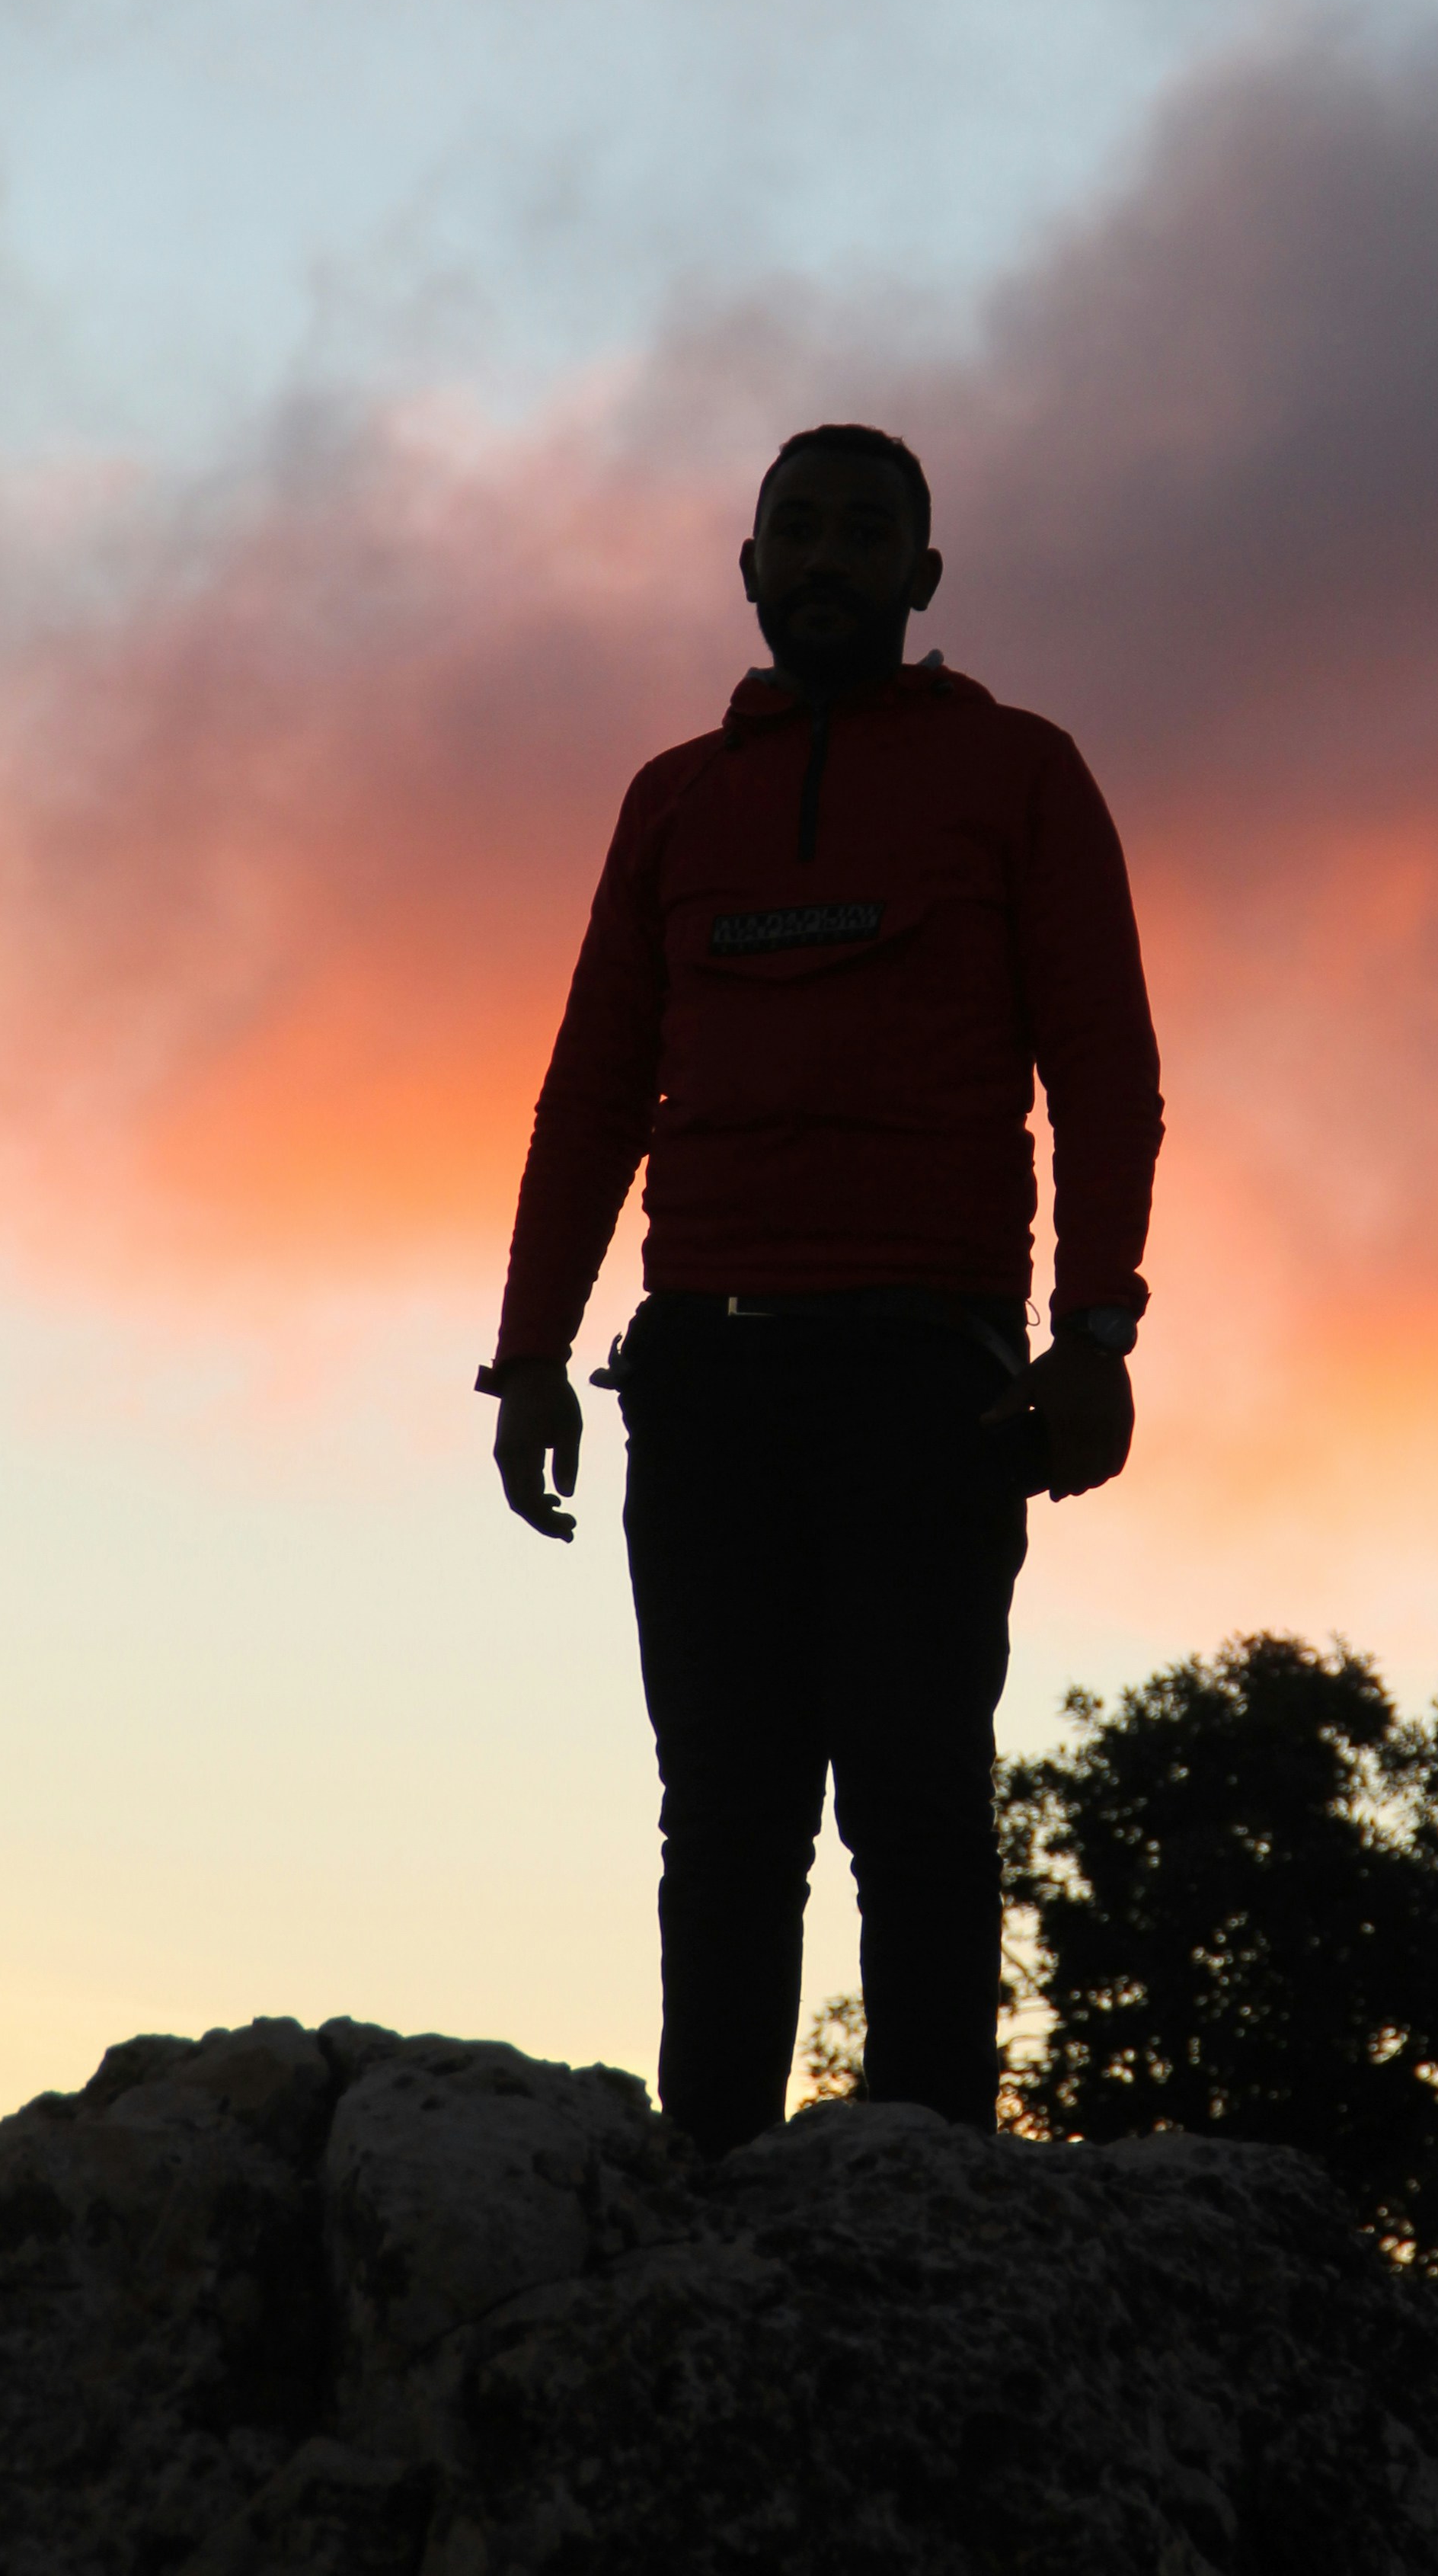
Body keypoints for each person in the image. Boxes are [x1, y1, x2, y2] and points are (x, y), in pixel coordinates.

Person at [480, 422, 1162, 2154]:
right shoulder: (673, 800)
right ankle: (708, 2185)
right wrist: (530, 1353)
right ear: (750, 569)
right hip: (701, 1374)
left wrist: (1094, 1335)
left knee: (920, 1799)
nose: (832, 560)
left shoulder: (1019, 774)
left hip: (925, 1377)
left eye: (870, 533)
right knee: (722, 1816)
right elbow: (590, 1088)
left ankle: (927, 2195)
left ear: (923, 576)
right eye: (802, 530)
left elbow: (1102, 1065)